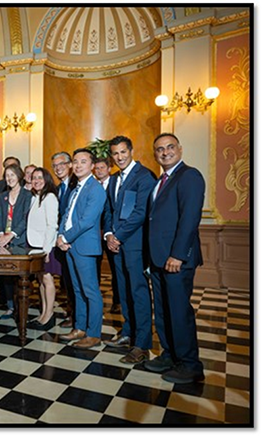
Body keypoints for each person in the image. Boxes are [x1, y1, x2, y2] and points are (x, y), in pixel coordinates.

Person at [144, 133, 205, 384]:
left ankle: (190, 365)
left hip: (175, 260)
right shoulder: (161, 181)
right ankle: (169, 354)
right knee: (163, 310)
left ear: (179, 149)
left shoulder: (189, 176)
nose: (165, 152)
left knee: (179, 312)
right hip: (158, 260)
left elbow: (190, 219)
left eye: (170, 147)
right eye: (159, 149)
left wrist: (178, 255)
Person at [101, 136, 156, 364]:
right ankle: (128, 332)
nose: (120, 157)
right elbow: (109, 211)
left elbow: (140, 212)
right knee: (123, 292)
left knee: (138, 293)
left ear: (131, 151)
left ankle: (142, 344)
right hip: (116, 245)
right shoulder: (114, 179)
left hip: (134, 245)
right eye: (115, 153)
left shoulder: (144, 176)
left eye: (123, 152)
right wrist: (108, 234)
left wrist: (119, 236)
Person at [56, 148, 106, 349]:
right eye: (75, 162)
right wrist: (60, 236)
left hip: (84, 246)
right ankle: (80, 327)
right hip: (70, 245)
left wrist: (65, 236)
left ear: (92, 165)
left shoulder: (96, 189)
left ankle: (94, 333)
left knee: (90, 291)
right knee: (77, 290)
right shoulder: (76, 188)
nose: (77, 165)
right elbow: (66, 215)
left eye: (83, 162)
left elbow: (86, 221)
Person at [0, 163, 32, 319]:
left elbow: (26, 219)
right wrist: (0, 235)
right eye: (6, 176)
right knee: (6, 276)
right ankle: (10, 306)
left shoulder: (27, 195)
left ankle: (21, 307)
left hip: (20, 241)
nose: (9, 178)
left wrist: (11, 235)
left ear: (19, 176)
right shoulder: (3, 196)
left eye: (12, 175)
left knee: (20, 277)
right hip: (4, 242)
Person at [26, 167, 60, 329]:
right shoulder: (35, 197)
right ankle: (43, 313)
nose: (36, 181)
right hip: (34, 245)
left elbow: (52, 225)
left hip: (44, 247)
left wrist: (46, 250)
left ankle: (49, 315)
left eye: (40, 177)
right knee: (40, 280)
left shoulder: (50, 197)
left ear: (46, 179)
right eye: (34, 178)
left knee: (47, 279)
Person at [52, 151, 77, 328]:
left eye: (61, 164)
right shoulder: (57, 187)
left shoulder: (77, 185)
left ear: (70, 165)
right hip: (61, 242)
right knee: (67, 281)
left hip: (74, 241)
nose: (58, 168)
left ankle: (77, 318)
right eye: (54, 166)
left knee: (77, 283)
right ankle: (72, 313)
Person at [94, 156, 121, 314]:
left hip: (111, 234)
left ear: (109, 168)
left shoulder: (115, 184)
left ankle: (117, 301)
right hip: (95, 235)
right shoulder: (93, 186)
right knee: (94, 268)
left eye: (102, 168)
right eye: (96, 168)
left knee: (115, 268)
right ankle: (96, 301)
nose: (99, 171)